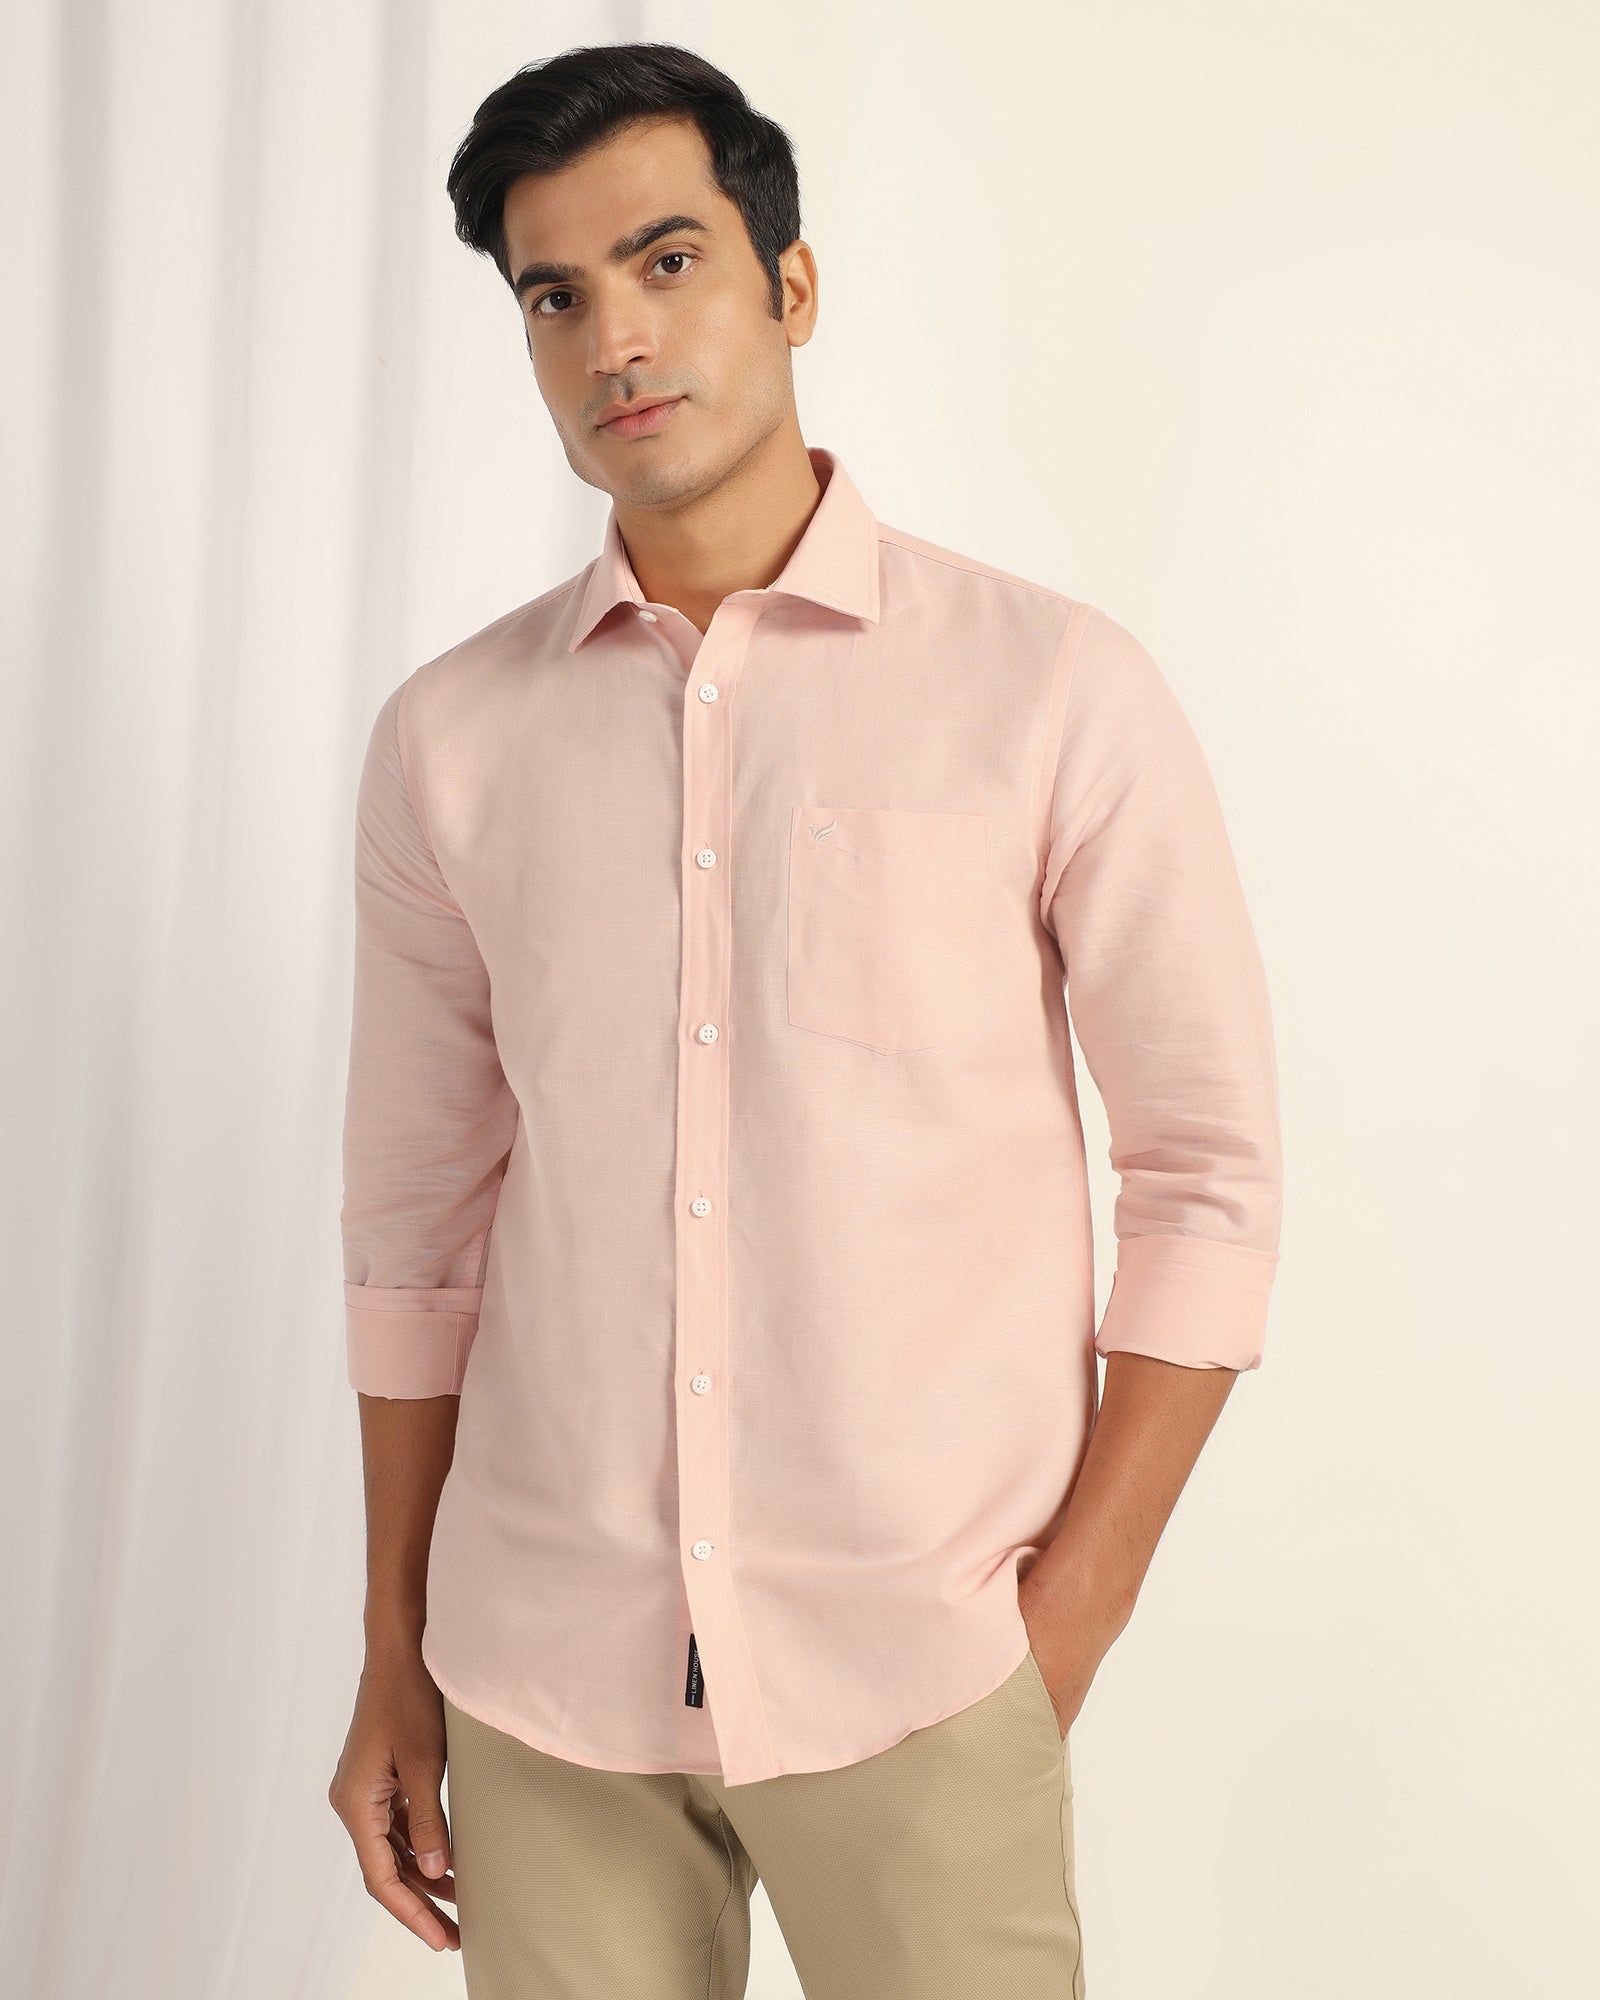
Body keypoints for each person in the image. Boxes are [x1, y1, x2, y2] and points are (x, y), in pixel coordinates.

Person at [326, 41, 1283, 2000]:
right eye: (554, 295)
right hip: (544, 1680)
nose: (614, 336)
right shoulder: (447, 742)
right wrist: (393, 1650)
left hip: (923, 1668)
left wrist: (1066, 1619)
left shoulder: (1049, 688)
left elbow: (1209, 1176)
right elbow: (414, 1238)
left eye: (667, 261)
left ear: (792, 285)